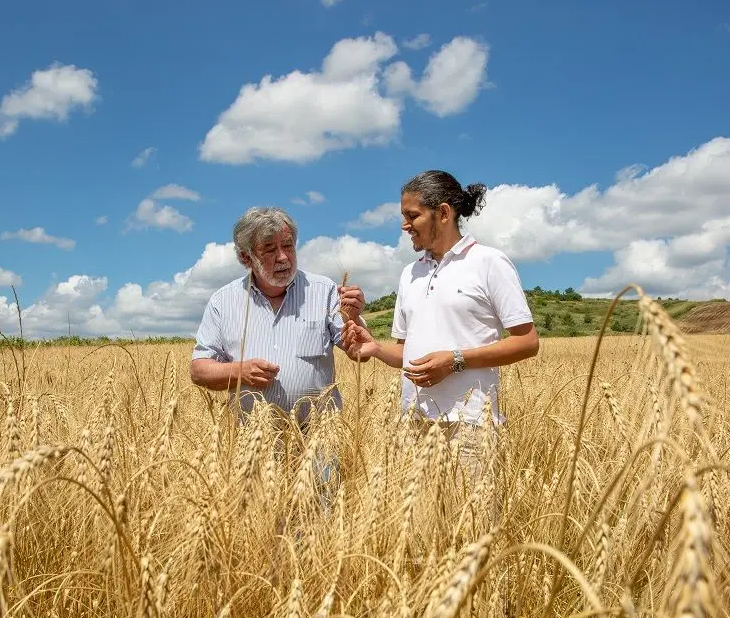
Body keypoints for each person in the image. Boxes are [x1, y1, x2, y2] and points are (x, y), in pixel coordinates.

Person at [341, 170, 538, 482]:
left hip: (471, 426)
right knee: (419, 530)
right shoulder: (409, 274)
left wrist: (454, 360)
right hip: (413, 423)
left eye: (412, 216)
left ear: (443, 212)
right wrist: (375, 349)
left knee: (472, 528)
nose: (404, 225)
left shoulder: (489, 262)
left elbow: (527, 342)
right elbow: (405, 352)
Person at [190, 206, 368, 431]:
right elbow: (199, 370)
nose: (283, 257)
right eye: (269, 249)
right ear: (247, 258)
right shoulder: (222, 302)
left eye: (287, 246)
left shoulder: (324, 291)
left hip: (319, 438)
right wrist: (239, 372)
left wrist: (353, 317)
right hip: (253, 441)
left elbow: (359, 352)